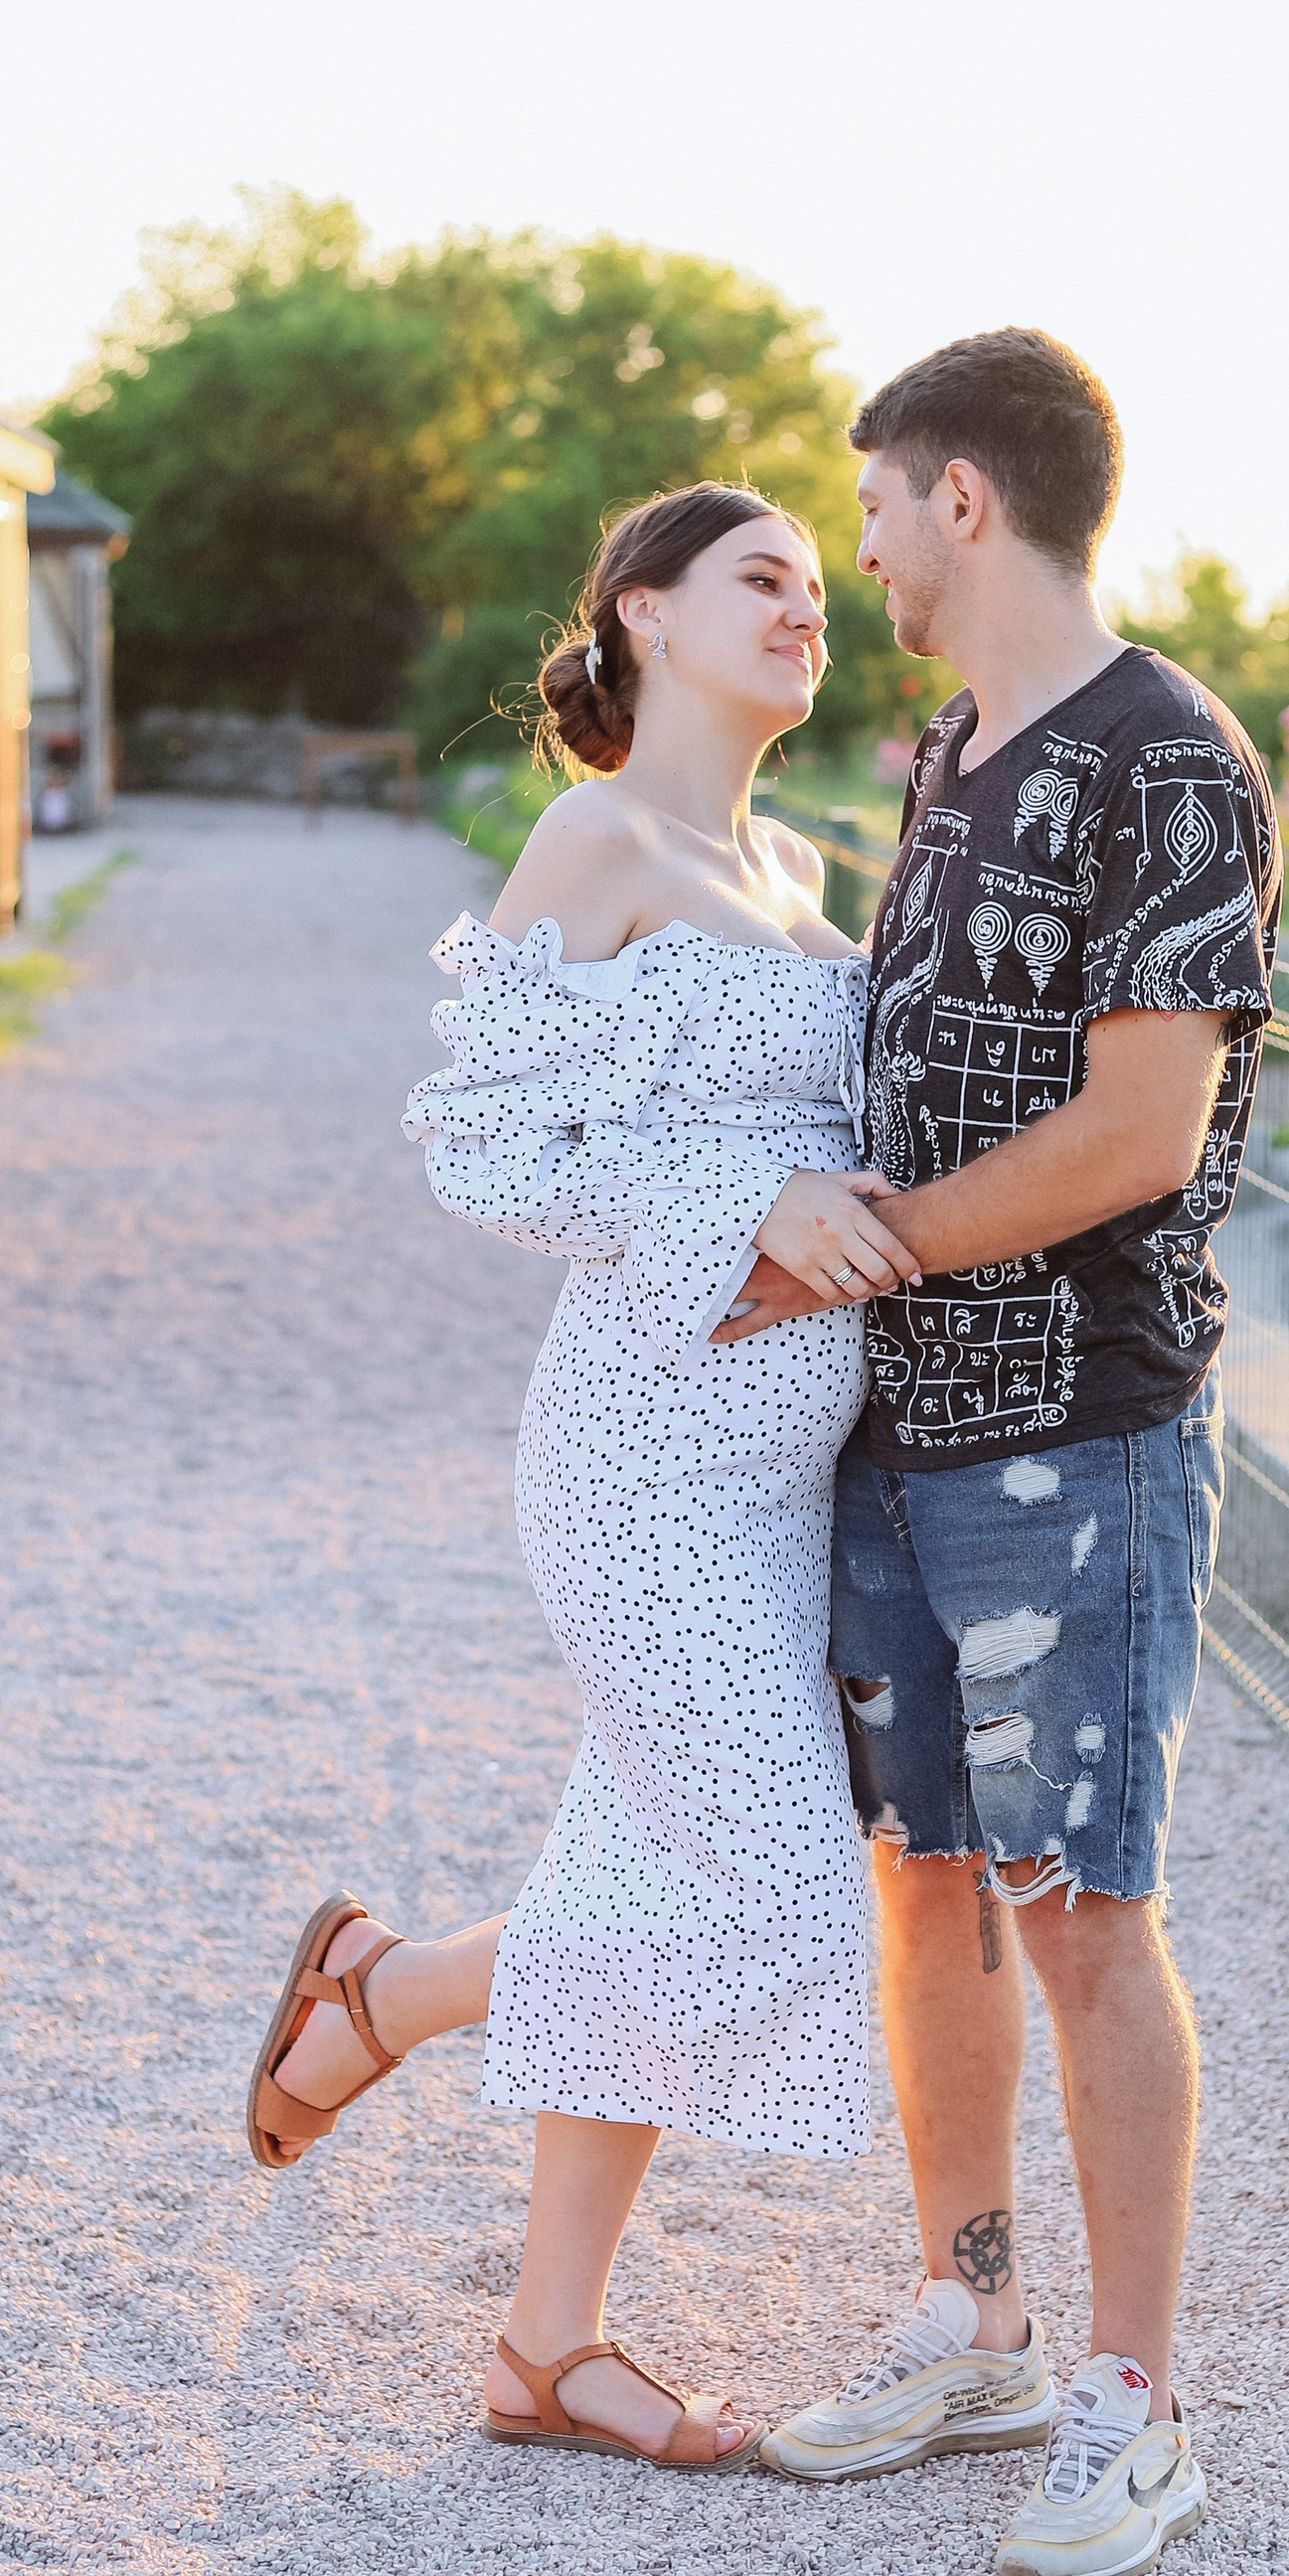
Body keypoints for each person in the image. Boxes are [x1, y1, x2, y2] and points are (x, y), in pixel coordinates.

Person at [243, 485, 918, 2469]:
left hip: (782, 1480)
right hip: (641, 1469)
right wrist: (757, 1189)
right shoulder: (593, 834)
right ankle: (384, 1989)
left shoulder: (789, 858)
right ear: (639, 614)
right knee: (786, 1911)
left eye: (816, 584)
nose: (808, 607)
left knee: (642, 1871)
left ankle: (545, 2349)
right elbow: (485, 1147)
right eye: (759, 579)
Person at [730, 330, 1282, 2576]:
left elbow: (1138, 1132)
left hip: (1078, 1433)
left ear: (965, 497)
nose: (852, 551)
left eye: (868, 509)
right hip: (897, 1432)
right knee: (928, 1882)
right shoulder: (949, 746)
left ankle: (1129, 2405)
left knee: (1083, 1913)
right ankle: (973, 2316)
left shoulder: (1168, 759)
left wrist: (848, 1263)